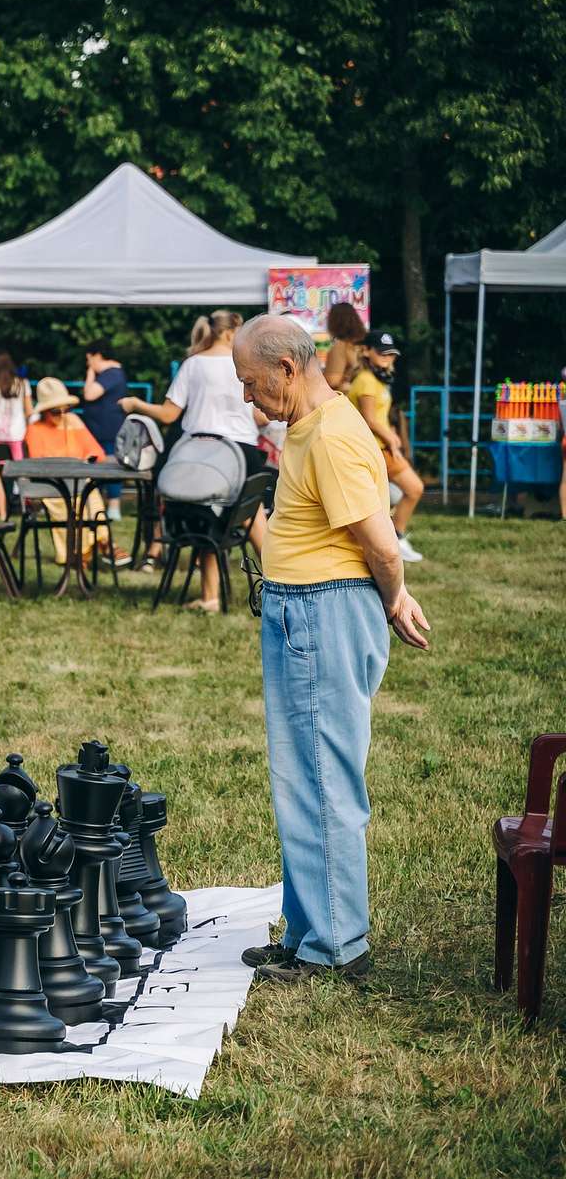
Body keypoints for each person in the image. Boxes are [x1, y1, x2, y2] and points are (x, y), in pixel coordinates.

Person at [230, 314, 429, 984]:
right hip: (302, 613)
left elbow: (379, 541)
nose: (249, 398)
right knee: (300, 781)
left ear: (288, 370)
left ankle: (338, 947)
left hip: (324, 615)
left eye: (253, 384)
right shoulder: (306, 427)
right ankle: (310, 929)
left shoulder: (335, 436)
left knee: (323, 778)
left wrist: (396, 595)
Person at [122, 310, 269, 609]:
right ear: (230, 334)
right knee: (253, 518)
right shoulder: (245, 364)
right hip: (244, 452)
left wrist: (137, 404)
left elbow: (168, 415)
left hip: (198, 454)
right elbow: (260, 416)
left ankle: (210, 596)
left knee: (204, 517)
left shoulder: (192, 365)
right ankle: (282, 583)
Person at [346, 330, 424, 562]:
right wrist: (391, 439)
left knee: (391, 496)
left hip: (381, 446)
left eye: (390, 354)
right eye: (382, 353)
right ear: (367, 351)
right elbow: (369, 420)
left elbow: (378, 417)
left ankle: (390, 538)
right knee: (414, 488)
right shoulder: (367, 381)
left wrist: (391, 432)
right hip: (376, 449)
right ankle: (395, 538)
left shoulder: (375, 379)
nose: (387, 358)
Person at [24, 377, 116, 565]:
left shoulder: (73, 423)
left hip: (77, 481)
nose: (62, 414)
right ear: (44, 412)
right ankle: (89, 548)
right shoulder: (34, 430)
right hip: (51, 485)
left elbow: (98, 454)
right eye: (56, 411)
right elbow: (39, 467)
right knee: (70, 498)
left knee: (88, 490)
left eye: (67, 409)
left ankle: (100, 543)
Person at [80, 339, 130, 522]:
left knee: (110, 468)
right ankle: (99, 507)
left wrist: (90, 373)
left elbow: (90, 393)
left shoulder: (111, 374)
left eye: (89, 360)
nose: (89, 364)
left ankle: (113, 508)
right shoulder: (113, 374)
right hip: (100, 430)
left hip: (108, 431)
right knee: (99, 469)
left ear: (97, 356)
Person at [0, 352, 31, 519]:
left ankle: (3, 514)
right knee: (20, 471)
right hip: (16, 433)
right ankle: (25, 508)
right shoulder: (22, 384)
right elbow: (29, 410)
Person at [322, 302, 368, 391]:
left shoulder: (341, 345)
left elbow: (332, 381)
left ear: (334, 322)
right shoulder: (366, 342)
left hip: (350, 399)